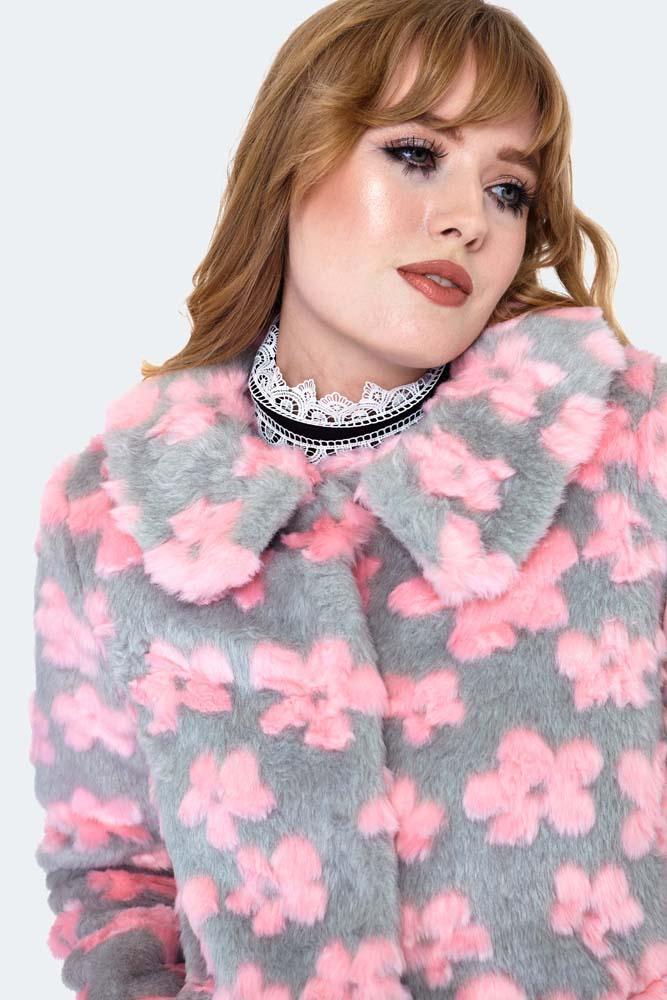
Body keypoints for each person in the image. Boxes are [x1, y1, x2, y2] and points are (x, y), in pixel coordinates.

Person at [30, 1, 667, 998]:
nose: (468, 218)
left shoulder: (623, 441)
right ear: (293, 159)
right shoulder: (111, 512)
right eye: (416, 154)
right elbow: (113, 877)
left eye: (506, 189)